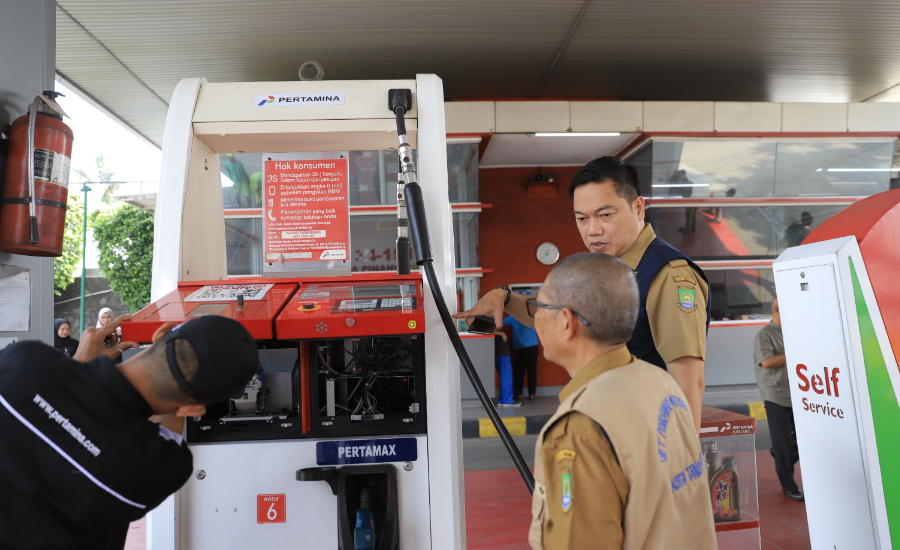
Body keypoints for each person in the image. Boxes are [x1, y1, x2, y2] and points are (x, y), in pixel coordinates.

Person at [456, 156, 710, 433]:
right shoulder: (605, 270)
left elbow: (688, 381)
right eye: (582, 218)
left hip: (645, 441)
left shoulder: (668, 275)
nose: (592, 230)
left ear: (638, 208)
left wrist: (680, 468)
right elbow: (555, 316)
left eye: (605, 215)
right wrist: (503, 298)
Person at [0, 314, 259, 549]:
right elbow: (164, 437)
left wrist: (80, 365)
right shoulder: (156, 467)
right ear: (192, 409)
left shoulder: (26, 361)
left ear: (161, 332)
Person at [526, 253, 716, 549]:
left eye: (539, 306)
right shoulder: (661, 383)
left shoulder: (581, 427)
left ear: (566, 321)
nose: (535, 318)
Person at [753, 296, 804, 502]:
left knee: (802, 441)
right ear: (777, 309)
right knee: (783, 443)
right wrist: (793, 353)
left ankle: (783, 454)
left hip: (798, 393)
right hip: (775, 394)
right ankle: (788, 485)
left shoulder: (794, 333)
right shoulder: (764, 335)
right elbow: (766, 362)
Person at [505, 313, 539, 400]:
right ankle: (532, 394)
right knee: (532, 371)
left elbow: (502, 322)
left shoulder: (514, 316)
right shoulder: (531, 316)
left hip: (520, 348)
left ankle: (519, 393)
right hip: (533, 346)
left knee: (519, 372)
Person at [494, 330, 520, 407]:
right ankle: (507, 400)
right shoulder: (490, 318)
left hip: (497, 348)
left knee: (504, 375)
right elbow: (484, 329)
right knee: (506, 375)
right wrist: (501, 333)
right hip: (501, 349)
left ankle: (503, 399)